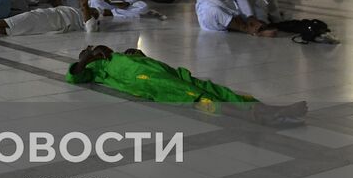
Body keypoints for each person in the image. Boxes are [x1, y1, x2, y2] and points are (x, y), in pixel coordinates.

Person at [67, 46, 307, 124]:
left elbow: (146, 59)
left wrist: (135, 52)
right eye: (89, 51)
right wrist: (87, 58)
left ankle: (266, 107)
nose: (94, 49)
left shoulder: (120, 54)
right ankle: (257, 116)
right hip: (151, 83)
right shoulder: (95, 69)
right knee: (199, 98)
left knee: (215, 89)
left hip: (169, 73)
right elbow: (74, 75)